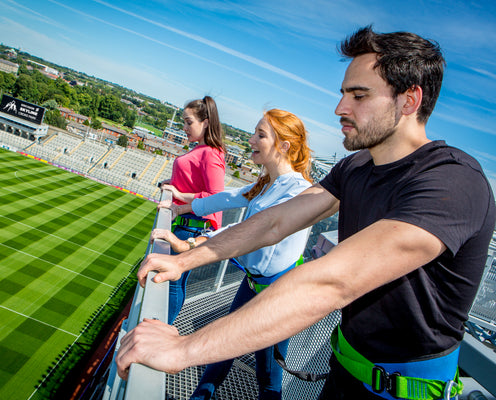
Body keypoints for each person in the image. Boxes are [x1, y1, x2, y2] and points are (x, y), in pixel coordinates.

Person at [116, 26, 496, 400]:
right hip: (345, 371)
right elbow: (275, 221)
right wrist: (186, 261)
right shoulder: (356, 167)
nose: (339, 109)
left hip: (407, 393)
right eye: (343, 93)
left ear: (409, 101)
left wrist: (181, 350)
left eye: (358, 96)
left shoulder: (453, 181)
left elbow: (335, 282)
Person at [152, 109, 313, 400]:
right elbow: (226, 197)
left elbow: (249, 231)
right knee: (222, 350)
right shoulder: (268, 183)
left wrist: (191, 244)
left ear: (285, 146)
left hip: (278, 297)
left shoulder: (299, 193)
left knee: (268, 377)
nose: (250, 140)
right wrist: (184, 206)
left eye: (260, 135)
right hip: (253, 285)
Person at [162, 95, 226, 324]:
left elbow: (215, 196)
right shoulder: (202, 150)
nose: (185, 127)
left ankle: (163, 328)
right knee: (174, 281)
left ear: (206, 122)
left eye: (189, 122)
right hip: (186, 223)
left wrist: (179, 195)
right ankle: (162, 328)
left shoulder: (210, 152)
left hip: (191, 227)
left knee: (172, 282)